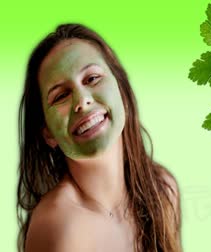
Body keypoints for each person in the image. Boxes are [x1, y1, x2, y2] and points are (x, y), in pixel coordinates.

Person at [16, 24, 182, 252]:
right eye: (61, 95)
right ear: (48, 132)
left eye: (92, 78)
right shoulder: (58, 226)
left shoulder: (163, 190)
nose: (82, 100)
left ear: (122, 91)